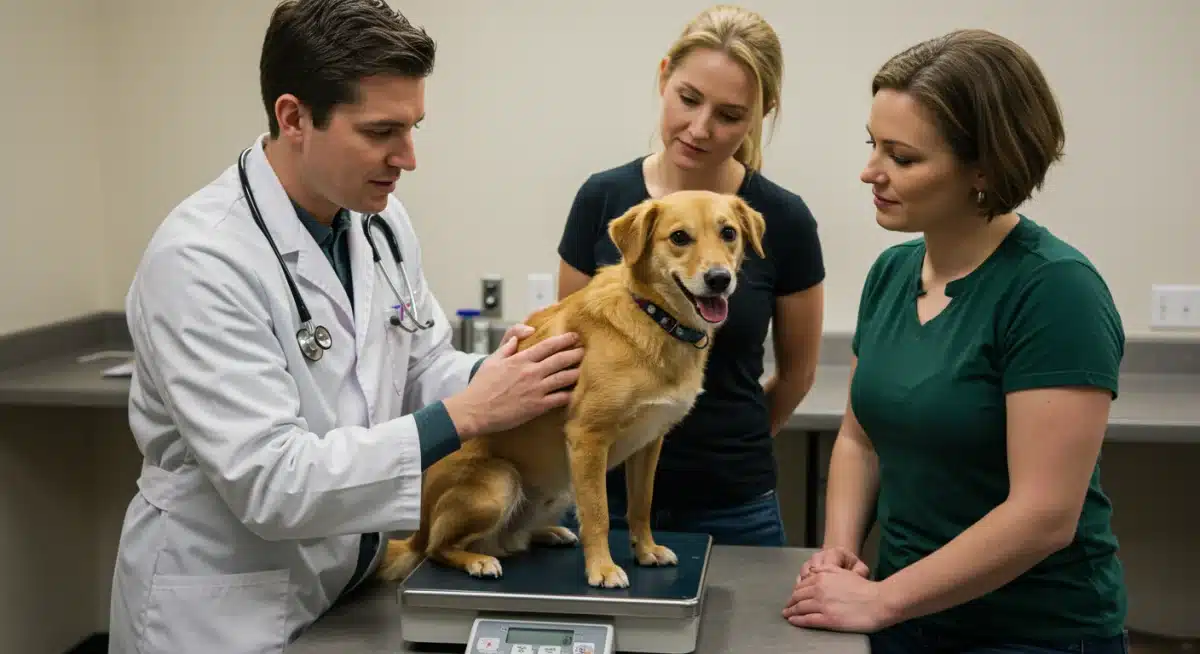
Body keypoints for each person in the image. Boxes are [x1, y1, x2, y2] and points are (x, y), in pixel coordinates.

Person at [106, 1, 584, 651]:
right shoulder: (200, 261)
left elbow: (421, 362)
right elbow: (273, 483)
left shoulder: (380, 223)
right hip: (222, 611)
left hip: (345, 584)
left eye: (413, 127)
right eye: (381, 131)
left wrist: (504, 380)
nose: (408, 157)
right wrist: (469, 413)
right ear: (294, 117)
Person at [782, 29, 1130, 653]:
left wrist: (884, 599)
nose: (871, 172)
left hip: (1029, 633)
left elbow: (1045, 515)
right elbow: (860, 439)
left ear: (984, 169)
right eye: (873, 146)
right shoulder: (892, 274)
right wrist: (838, 556)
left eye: (903, 157)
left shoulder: (1055, 291)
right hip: (904, 617)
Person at [556, 5, 825, 547]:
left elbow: (796, 375)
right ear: (664, 78)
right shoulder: (605, 200)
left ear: (760, 113)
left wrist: (730, 442)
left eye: (729, 114)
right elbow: (570, 353)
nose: (700, 129)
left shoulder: (783, 219)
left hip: (732, 506)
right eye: (688, 99)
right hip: (596, 502)